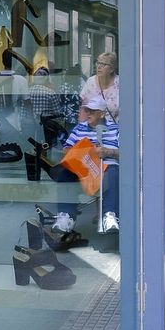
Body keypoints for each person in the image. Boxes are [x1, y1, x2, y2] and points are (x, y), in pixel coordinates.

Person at [50, 94, 119, 233]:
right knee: (65, 173)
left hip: (107, 165)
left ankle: (109, 216)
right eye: (87, 110)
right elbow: (67, 149)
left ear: (102, 113)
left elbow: (126, 153)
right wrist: (86, 151)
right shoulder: (80, 128)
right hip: (84, 167)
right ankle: (66, 217)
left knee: (113, 172)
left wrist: (108, 152)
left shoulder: (116, 129)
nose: (88, 113)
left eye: (92, 111)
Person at [79, 51, 119, 120]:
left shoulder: (120, 83)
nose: (99, 66)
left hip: (116, 128)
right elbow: (83, 109)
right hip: (93, 128)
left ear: (111, 69)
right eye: (98, 63)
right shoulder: (90, 82)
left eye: (103, 64)